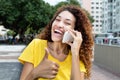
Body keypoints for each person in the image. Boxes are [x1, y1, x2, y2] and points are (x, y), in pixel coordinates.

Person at [18, 5, 94, 80]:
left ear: (75, 31)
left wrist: (75, 53)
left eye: (67, 23)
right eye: (57, 19)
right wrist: (35, 73)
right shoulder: (36, 45)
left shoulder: (76, 57)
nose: (59, 25)